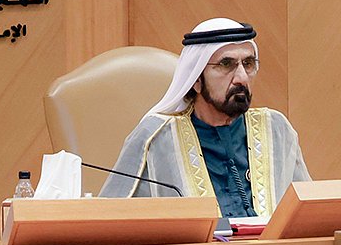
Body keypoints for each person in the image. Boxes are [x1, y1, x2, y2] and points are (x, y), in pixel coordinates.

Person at [99, 18, 310, 218]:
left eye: (248, 63)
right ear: (196, 80)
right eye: (226, 64)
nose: (241, 78)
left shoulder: (276, 130)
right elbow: (111, 220)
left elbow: (307, 212)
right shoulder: (158, 137)